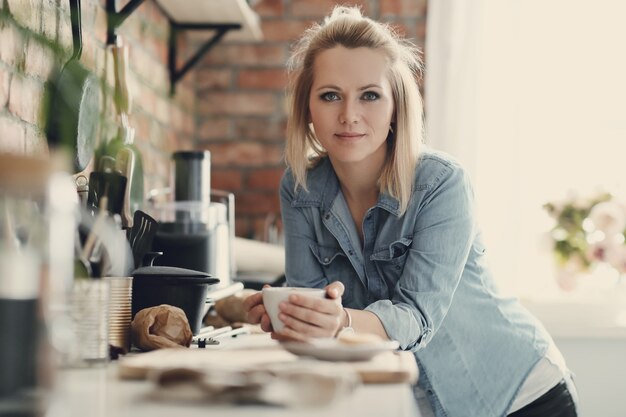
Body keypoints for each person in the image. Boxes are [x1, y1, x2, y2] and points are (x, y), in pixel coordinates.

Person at [243, 6, 579, 417]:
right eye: (330, 95)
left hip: (517, 394)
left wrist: (339, 322)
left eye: (370, 95)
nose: (349, 115)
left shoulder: (442, 184)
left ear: (396, 107)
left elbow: (417, 316)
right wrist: (293, 316)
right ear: (307, 109)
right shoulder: (299, 190)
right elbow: (311, 306)